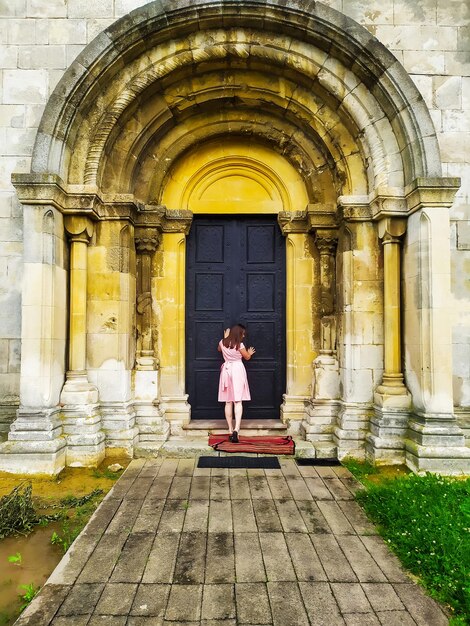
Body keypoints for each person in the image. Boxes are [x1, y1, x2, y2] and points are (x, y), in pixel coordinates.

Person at [217, 324, 255, 443]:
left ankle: (229, 429)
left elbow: (219, 349)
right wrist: (250, 352)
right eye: (243, 333)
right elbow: (247, 357)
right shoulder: (240, 345)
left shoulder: (222, 342)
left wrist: (225, 337)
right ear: (239, 334)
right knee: (238, 401)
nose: (244, 335)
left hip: (226, 370)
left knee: (228, 402)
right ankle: (236, 430)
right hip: (237, 370)